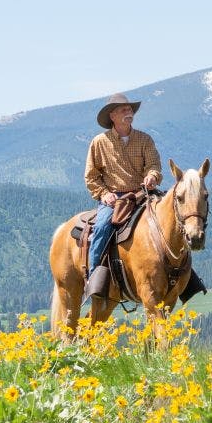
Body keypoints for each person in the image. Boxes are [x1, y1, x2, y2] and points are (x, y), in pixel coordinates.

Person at [83, 93, 162, 300]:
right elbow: (91, 176)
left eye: (130, 109)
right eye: (123, 110)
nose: (129, 113)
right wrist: (104, 194)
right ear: (112, 116)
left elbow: (153, 165)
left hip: (143, 194)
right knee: (101, 227)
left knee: (172, 219)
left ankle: (184, 277)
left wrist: (152, 177)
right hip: (115, 199)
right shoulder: (99, 143)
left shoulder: (145, 139)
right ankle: (95, 279)